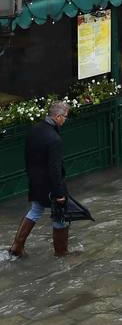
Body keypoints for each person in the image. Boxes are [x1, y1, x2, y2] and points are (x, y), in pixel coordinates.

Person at [7, 101, 71, 259]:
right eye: (65, 117)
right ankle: (61, 252)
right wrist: (59, 193)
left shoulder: (34, 130)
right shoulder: (54, 139)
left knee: (35, 210)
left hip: (35, 181)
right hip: (50, 184)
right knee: (60, 214)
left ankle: (17, 246)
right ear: (57, 116)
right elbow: (55, 169)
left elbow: (28, 157)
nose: (65, 120)